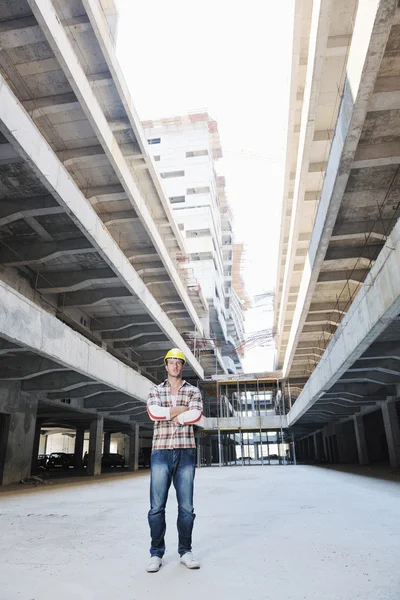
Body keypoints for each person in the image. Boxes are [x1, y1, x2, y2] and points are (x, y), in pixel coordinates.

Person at [146, 348, 203, 573]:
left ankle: (185, 551)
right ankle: (156, 553)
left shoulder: (194, 391)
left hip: (186, 452)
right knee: (156, 508)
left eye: (179, 362)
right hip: (160, 452)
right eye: (171, 362)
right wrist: (180, 411)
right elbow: (153, 413)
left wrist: (168, 413)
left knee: (186, 508)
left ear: (182, 366)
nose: (175, 366)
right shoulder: (155, 390)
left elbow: (196, 415)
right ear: (165, 365)